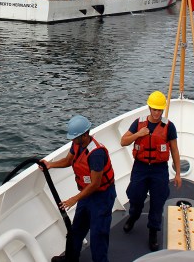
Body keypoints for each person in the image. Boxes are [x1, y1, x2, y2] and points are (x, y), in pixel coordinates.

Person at [41, 115, 116, 262]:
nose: (72, 140)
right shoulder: (77, 144)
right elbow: (68, 160)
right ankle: (71, 258)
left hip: (101, 198)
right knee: (76, 230)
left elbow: (95, 184)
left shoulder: (96, 154)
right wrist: (50, 164)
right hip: (86, 195)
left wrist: (74, 199)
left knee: (98, 235)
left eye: (75, 137)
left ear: (85, 135)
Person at [120, 91, 182, 251]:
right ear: (149, 108)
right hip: (140, 167)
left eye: (160, 110)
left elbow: (174, 150)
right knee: (135, 195)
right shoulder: (138, 123)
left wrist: (178, 173)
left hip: (159, 169)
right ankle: (133, 216)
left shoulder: (169, 126)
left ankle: (153, 230)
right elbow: (123, 141)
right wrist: (138, 134)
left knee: (158, 201)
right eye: (154, 109)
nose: (157, 113)